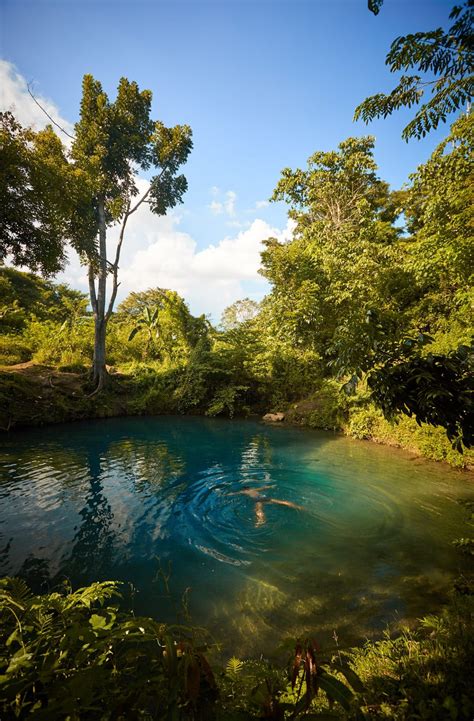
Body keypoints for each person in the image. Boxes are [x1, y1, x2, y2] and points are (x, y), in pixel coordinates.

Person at [230, 485, 304, 526]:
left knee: (258, 509)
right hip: (264, 497)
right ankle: (298, 507)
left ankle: (261, 520)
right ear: (249, 488)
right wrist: (270, 486)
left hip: (258, 500)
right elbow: (264, 487)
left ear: (244, 489)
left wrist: (226, 494)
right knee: (281, 502)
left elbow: (234, 494)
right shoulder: (255, 489)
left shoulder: (243, 491)